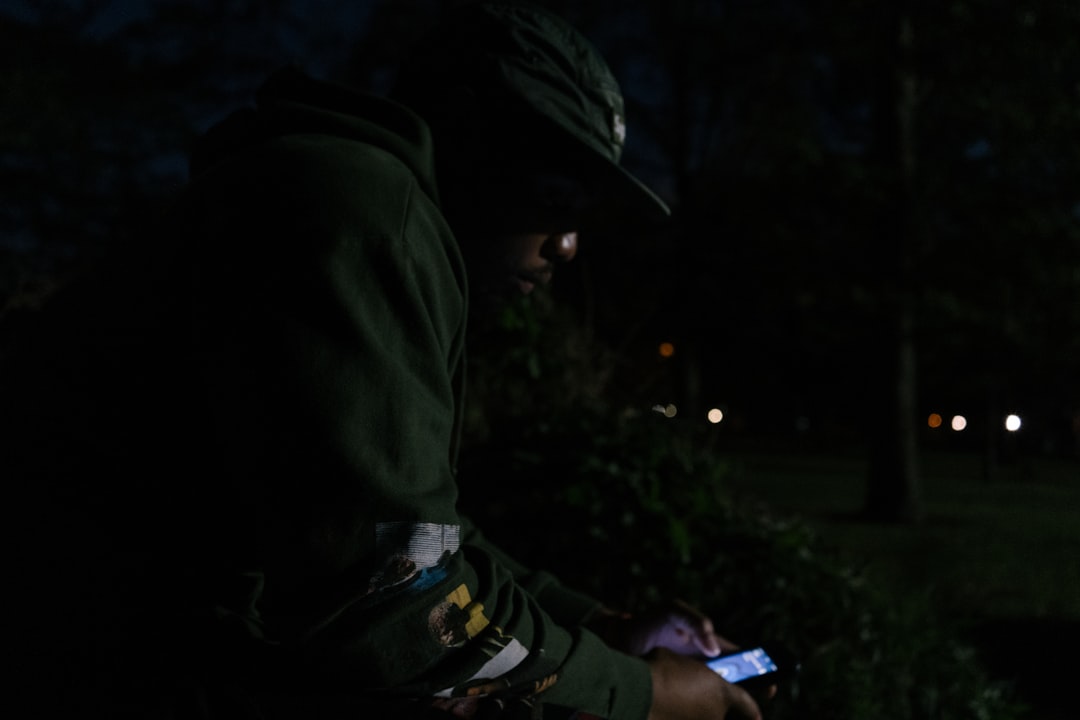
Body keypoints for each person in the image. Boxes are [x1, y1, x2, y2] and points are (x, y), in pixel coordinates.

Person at [3, 2, 767, 719]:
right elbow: (403, 601)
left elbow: (415, 537)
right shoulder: (367, 213)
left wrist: (599, 623)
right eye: (557, 191)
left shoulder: (346, 196)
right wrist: (645, 698)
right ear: (469, 127)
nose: (567, 245)